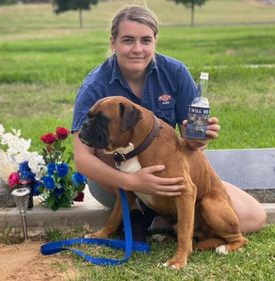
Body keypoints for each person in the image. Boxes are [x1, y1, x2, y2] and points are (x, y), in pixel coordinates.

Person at [71, 5, 266, 237]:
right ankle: (134, 210)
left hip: (167, 178)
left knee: (254, 217)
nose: (137, 49)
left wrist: (198, 139)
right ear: (113, 42)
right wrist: (133, 182)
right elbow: (83, 159)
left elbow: (190, 142)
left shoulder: (174, 72)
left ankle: (162, 220)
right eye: (127, 40)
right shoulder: (96, 85)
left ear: (155, 41)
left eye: (145, 40)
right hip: (115, 184)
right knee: (109, 143)